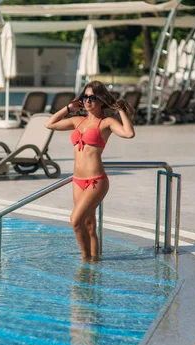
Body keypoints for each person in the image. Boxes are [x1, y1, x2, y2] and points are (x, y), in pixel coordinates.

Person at [45, 81, 135, 261]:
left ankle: (85, 261)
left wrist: (120, 111)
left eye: (92, 97)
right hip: (77, 181)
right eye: (85, 97)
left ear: (101, 100)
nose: (87, 101)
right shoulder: (77, 121)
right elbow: (50, 124)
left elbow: (129, 133)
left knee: (75, 221)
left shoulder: (106, 122)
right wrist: (68, 108)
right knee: (89, 224)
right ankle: (95, 261)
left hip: (96, 181)